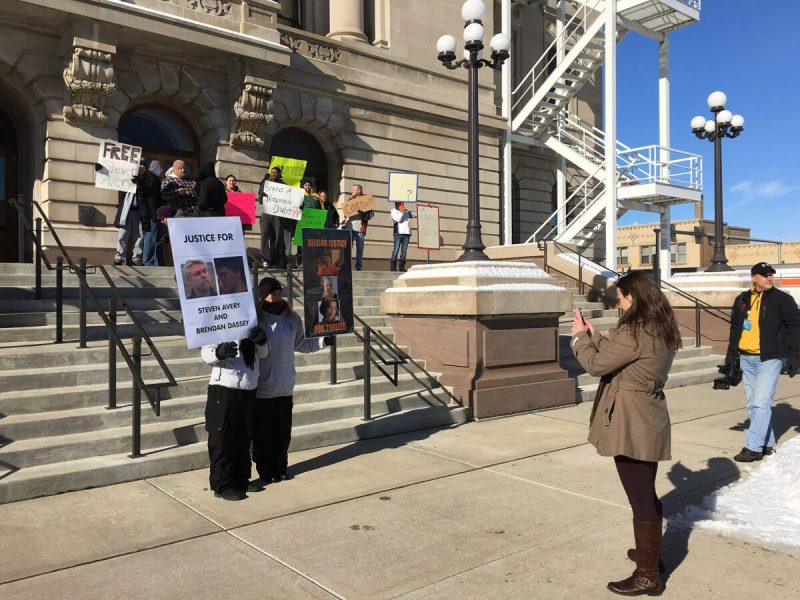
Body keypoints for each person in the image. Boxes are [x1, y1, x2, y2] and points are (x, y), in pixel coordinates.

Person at [570, 271, 681, 596]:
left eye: (620, 297)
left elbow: (597, 365)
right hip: (647, 414)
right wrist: (598, 337)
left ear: (633, 296)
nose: (618, 303)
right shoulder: (659, 326)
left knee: (640, 497)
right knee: (645, 489)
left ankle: (648, 575)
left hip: (631, 419)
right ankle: (651, 555)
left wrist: (580, 337)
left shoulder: (634, 330)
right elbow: (624, 359)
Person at [249, 277, 331, 490]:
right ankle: (266, 470)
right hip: (263, 388)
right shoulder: (257, 319)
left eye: (278, 291)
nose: (275, 296)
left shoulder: (292, 318)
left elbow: (301, 344)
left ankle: (281, 467)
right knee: (263, 434)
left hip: (285, 386)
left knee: (283, 432)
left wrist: (323, 341)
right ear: (263, 295)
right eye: (271, 292)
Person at [723, 262, 800, 462]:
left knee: (760, 402)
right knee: (753, 405)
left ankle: (753, 448)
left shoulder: (783, 299)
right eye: (765, 275)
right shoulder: (742, 299)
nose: (769, 278)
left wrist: (795, 355)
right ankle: (767, 443)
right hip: (747, 358)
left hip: (771, 357)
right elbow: (735, 329)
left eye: (771, 275)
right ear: (754, 277)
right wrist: (731, 355)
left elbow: (795, 326)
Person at [200, 326, 268, 501]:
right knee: (222, 437)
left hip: (248, 386)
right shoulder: (221, 322)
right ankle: (222, 484)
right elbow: (206, 353)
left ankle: (241, 479)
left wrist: (260, 340)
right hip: (224, 387)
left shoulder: (253, 325)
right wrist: (219, 352)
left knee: (243, 436)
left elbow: (264, 353)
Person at [113, 159, 157, 266]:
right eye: (140, 167)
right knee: (123, 234)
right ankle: (119, 257)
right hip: (127, 211)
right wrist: (102, 169)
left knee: (139, 236)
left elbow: (150, 194)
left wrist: (140, 182)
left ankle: (136, 257)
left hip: (140, 212)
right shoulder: (127, 179)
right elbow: (114, 178)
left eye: (143, 167)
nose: (141, 169)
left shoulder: (148, 181)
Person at [340, 184, 373, 271]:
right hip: (350, 227)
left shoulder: (366, 200)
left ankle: (358, 266)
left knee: (360, 247)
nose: (352, 191)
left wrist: (364, 214)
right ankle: (346, 265)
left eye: (354, 189)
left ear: (359, 191)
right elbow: (346, 214)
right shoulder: (350, 201)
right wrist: (345, 218)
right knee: (348, 247)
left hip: (360, 227)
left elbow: (371, 214)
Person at [258, 166, 284, 268]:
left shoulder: (284, 186)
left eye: (276, 172)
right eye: (272, 172)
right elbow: (260, 201)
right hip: (266, 213)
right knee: (264, 235)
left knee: (276, 238)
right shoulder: (265, 184)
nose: (273, 174)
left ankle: (274, 260)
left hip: (278, 215)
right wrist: (263, 195)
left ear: (279, 174)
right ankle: (265, 259)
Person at [141, 159, 165, 266]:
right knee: (151, 238)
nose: (162, 172)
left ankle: (153, 261)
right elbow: (152, 200)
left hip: (151, 214)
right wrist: (156, 213)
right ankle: (150, 262)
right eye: (161, 169)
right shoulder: (152, 180)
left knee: (152, 238)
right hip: (153, 215)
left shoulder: (152, 179)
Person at [390, 201, 416, 272]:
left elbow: (414, 214)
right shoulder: (393, 211)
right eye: (402, 204)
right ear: (398, 204)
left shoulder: (406, 211)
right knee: (396, 250)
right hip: (398, 233)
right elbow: (398, 219)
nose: (404, 205)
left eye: (403, 204)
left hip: (406, 233)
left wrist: (422, 210)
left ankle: (401, 267)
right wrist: (402, 211)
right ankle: (393, 267)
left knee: (404, 251)